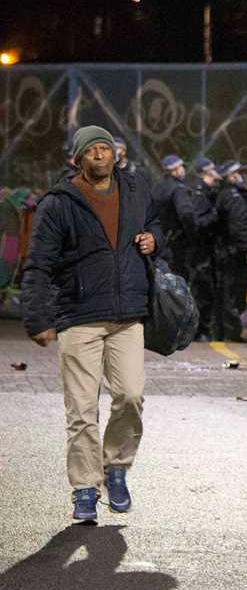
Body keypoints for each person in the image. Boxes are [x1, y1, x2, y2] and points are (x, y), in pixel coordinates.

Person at [20, 125, 161, 522]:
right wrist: (37, 318)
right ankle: (85, 488)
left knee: (130, 396)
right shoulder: (59, 202)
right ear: (77, 159)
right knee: (82, 409)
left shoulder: (135, 189)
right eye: (92, 150)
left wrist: (154, 240)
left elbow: (158, 227)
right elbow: (39, 263)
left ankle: (116, 468)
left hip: (127, 316)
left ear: (116, 154)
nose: (101, 154)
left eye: (106, 148)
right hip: (79, 316)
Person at [213, 160, 247, 342]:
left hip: (225, 250)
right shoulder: (234, 197)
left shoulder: (224, 194)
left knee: (227, 291)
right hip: (234, 252)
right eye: (236, 173)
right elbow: (238, 226)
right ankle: (232, 333)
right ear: (229, 176)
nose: (240, 176)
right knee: (234, 292)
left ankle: (225, 331)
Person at [151, 154, 206, 281]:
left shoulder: (158, 186)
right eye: (181, 167)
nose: (183, 170)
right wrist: (193, 235)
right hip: (177, 243)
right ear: (174, 170)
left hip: (161, 239)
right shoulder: (178, 189)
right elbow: (186, 214)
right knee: (180, 279)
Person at [188, 158, 222, 341]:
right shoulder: (200, 194)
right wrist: (214, 215)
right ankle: (199, 330)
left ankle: (203, 328)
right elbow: (198, 222)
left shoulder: (208, 191)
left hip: (207, 250)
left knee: (206, 291)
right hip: (201, 251)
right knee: (202, 292)